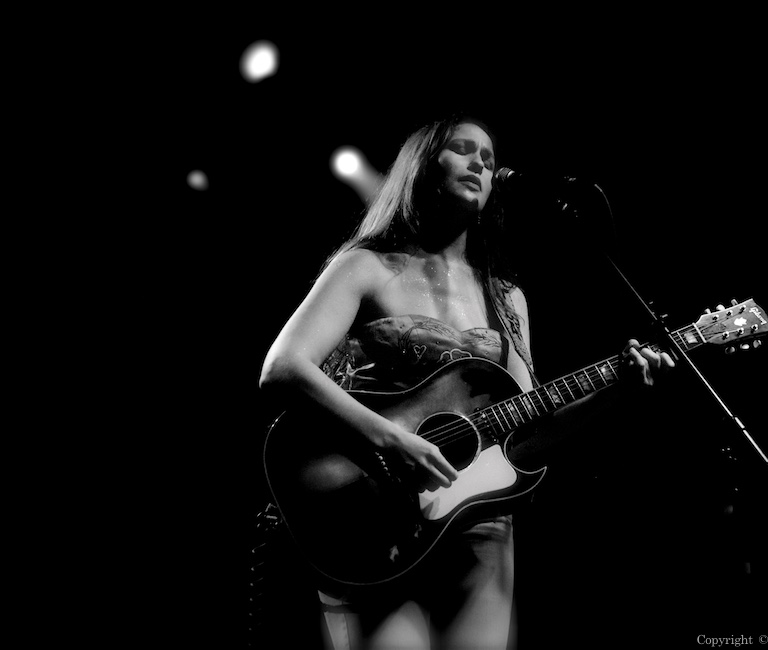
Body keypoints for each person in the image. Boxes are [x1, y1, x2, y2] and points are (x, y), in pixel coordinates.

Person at [258, 114, 674, 649]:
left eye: (490, 157)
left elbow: (529, 431)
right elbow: (283, 368)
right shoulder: (365, 267)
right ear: (423, 165)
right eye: (463, 149)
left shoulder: (509, 299)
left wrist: (617, 389)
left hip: (480, 520)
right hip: (371, 515)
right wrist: (392, 438)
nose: (482, 162)